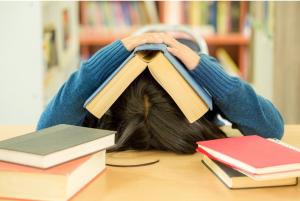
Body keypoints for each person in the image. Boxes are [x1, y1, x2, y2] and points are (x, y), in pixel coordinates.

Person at [37, 33, 284, 154]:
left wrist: (112, 56)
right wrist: (204, 68)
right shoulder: (204, 97)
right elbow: (272, 130)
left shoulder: (116, 107)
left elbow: (45, 131)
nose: (162, 43)